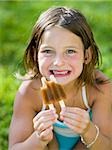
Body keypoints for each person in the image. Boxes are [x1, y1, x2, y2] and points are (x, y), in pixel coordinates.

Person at [9, 6, 112, 150]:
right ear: (34, 54)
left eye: (70, 51)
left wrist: (88, 130)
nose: (58, 62)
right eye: (47, 51)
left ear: (86, 55)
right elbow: (15, 148)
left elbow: (108, 146)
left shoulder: (99, 87)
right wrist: (39, 139)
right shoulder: (29, 92)